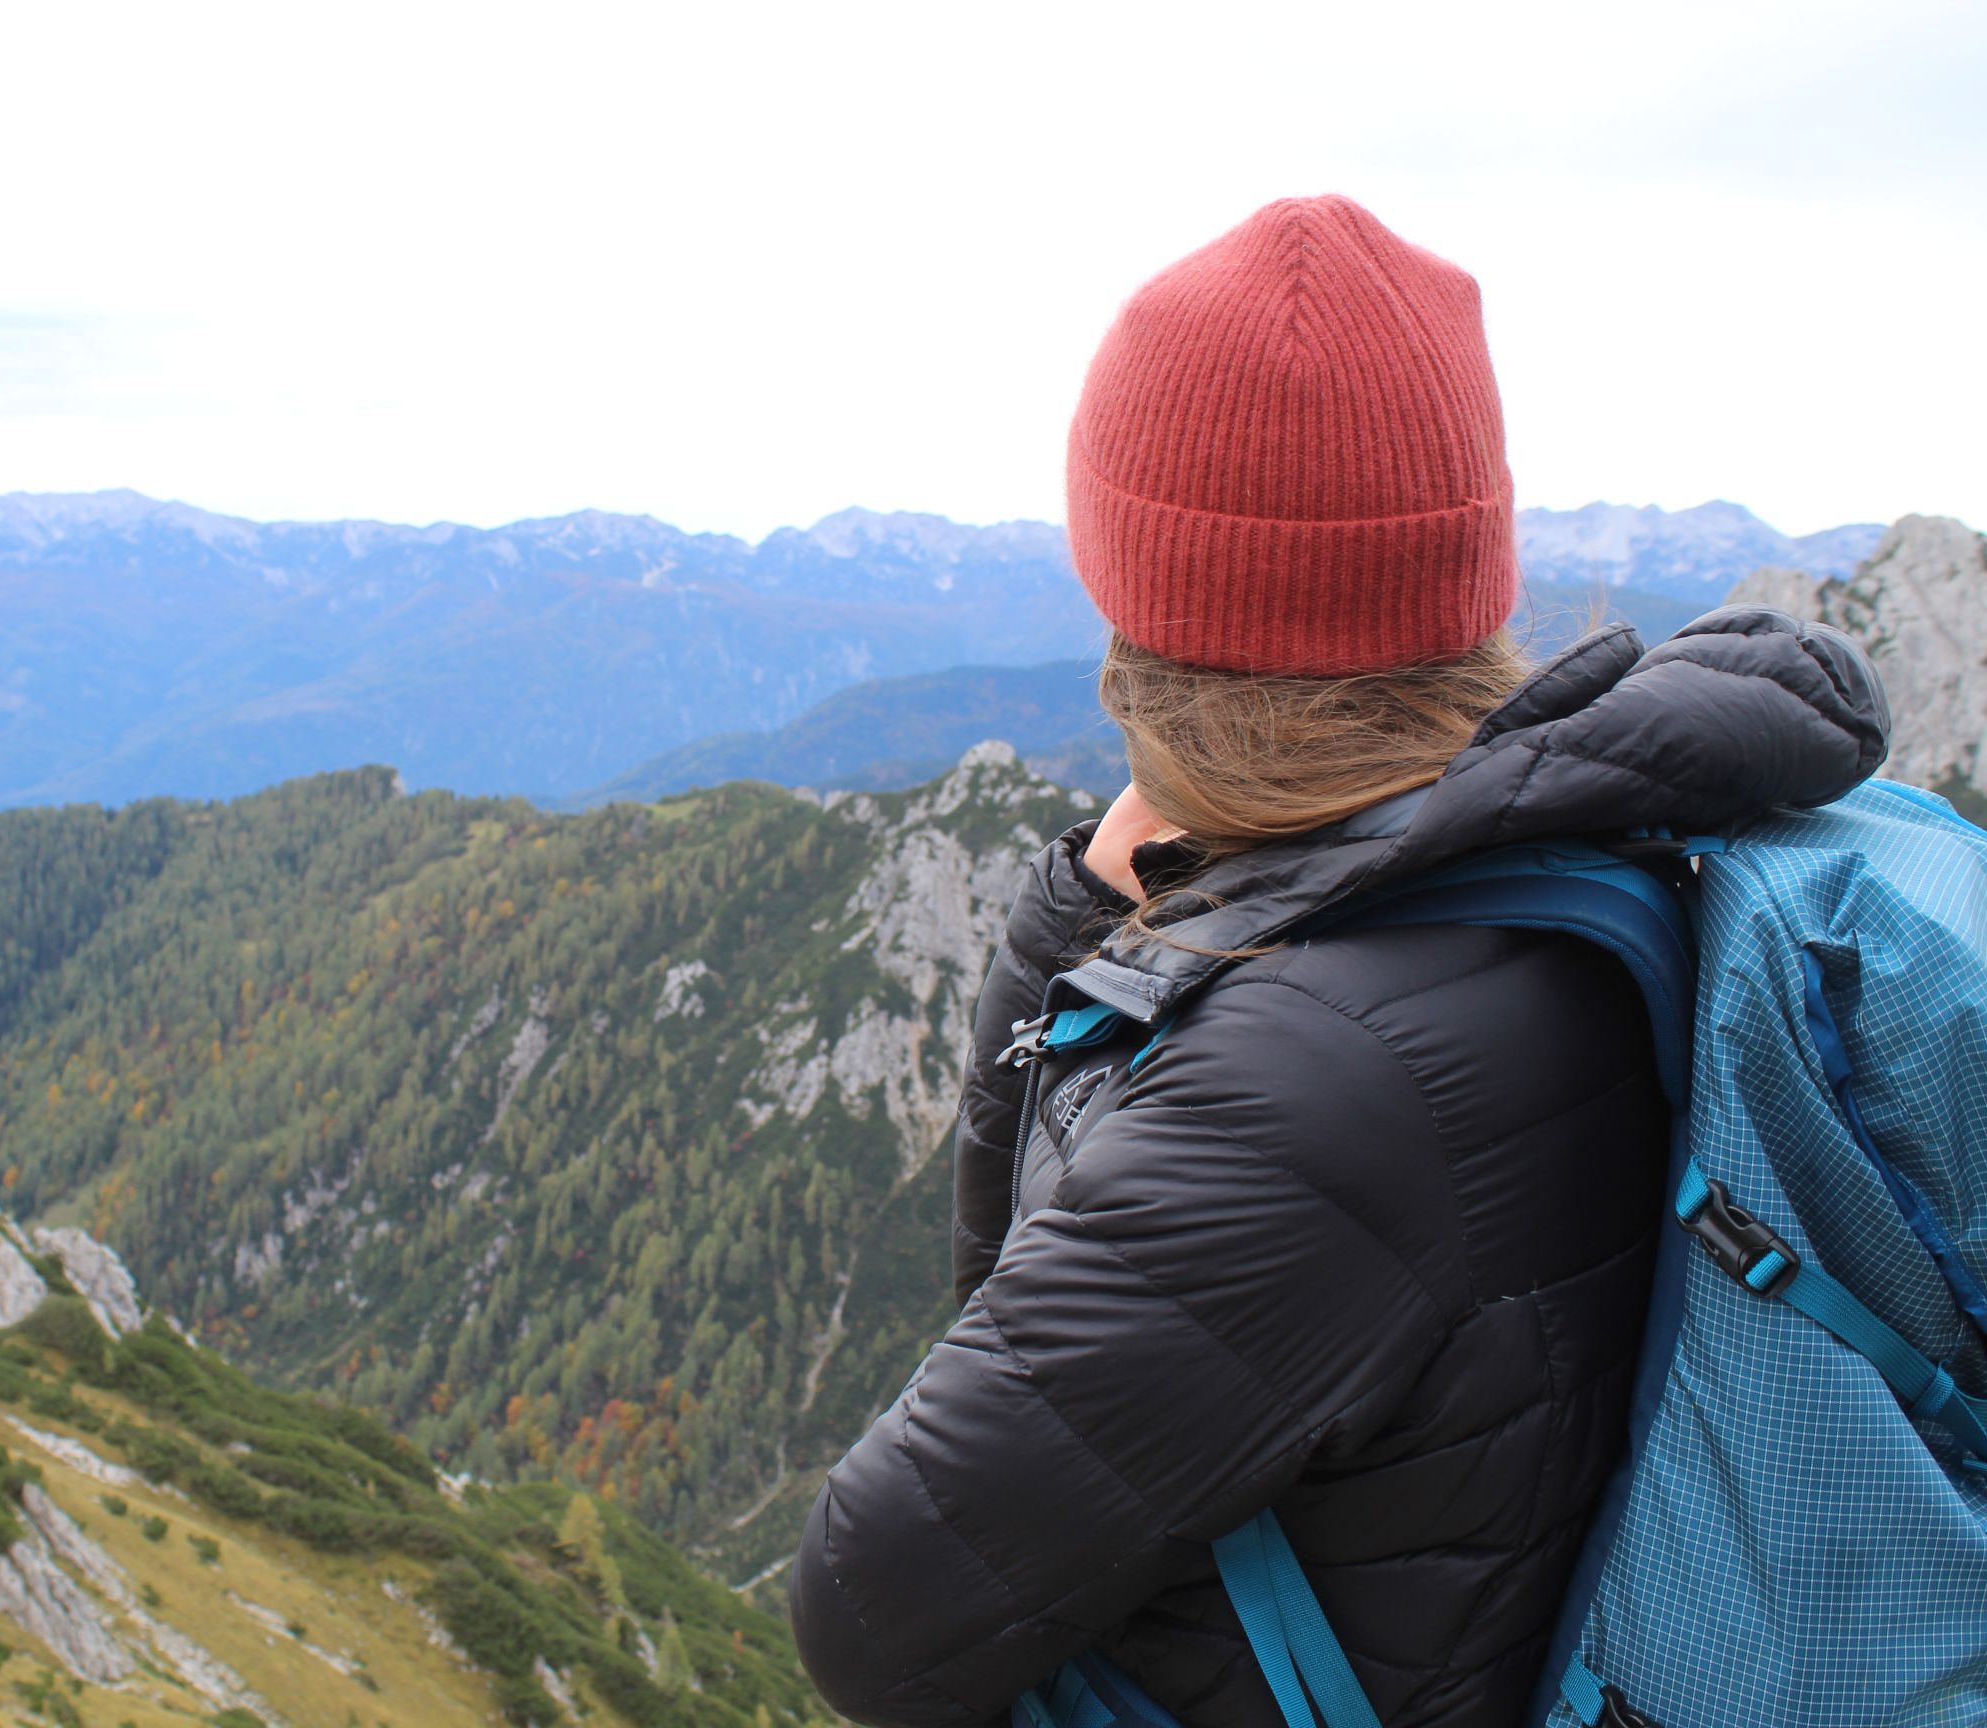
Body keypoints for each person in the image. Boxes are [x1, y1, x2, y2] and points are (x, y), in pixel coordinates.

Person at [786, 196, 1889, 1727]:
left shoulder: (1306, 1087)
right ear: (1461, 571)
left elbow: (875, 1613)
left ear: (1145, 603)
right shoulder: (1611, 850)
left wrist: (1056, 953)